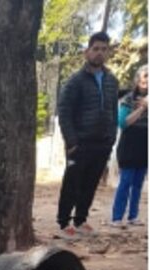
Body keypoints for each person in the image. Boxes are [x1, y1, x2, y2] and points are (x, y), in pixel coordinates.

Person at [56, 31, 119, 240]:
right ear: (87, 52)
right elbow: (64, 111)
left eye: (104, 49)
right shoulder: (75, 81)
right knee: (72, 183)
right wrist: (71, 141)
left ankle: (81, 220)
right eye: (96, 49)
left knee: (90, 184)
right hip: (80, 143)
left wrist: (111, 137)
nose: (100, 53)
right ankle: (64, 222)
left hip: (102, 143)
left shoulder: (112, 81)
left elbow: (113, 110)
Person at [110, 65, 148, 228]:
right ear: (138, 79)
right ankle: (117, 217)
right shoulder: (128, 98)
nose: (147, 79)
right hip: (129, 145)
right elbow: (123, 123)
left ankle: (133, 216)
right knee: (126, 181)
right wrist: (143, 108)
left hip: (145, 146)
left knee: (138, 183)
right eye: (145, 75)